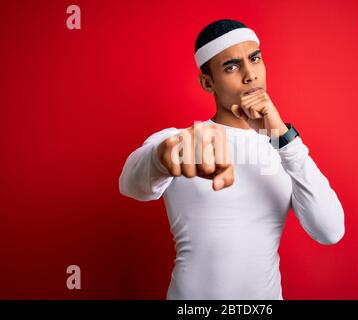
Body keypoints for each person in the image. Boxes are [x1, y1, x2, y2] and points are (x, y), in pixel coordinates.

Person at [119, 19, 345, 300]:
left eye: (255, 59)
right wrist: (162, 157)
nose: (250, 75)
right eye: (232, 66)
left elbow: (330, 230)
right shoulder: (185, 139)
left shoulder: (284, 149)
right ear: (207, 82)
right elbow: (129, 184)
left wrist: (283, 139)